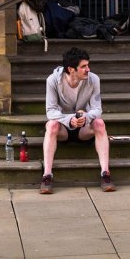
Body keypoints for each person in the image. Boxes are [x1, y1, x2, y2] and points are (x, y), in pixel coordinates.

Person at [40, 47, 115, 194]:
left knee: (100, 123)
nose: (88, 69)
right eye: (83, 66)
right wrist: (69, 119)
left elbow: (97, 109)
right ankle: (47, 176)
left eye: (87, 65)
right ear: (71, 69)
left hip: (83, 128)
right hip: (63, 128)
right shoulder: (53, 80)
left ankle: (105, 174)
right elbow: (51, 111)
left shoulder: (93, 79)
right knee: (51, 125)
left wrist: (86, 116)